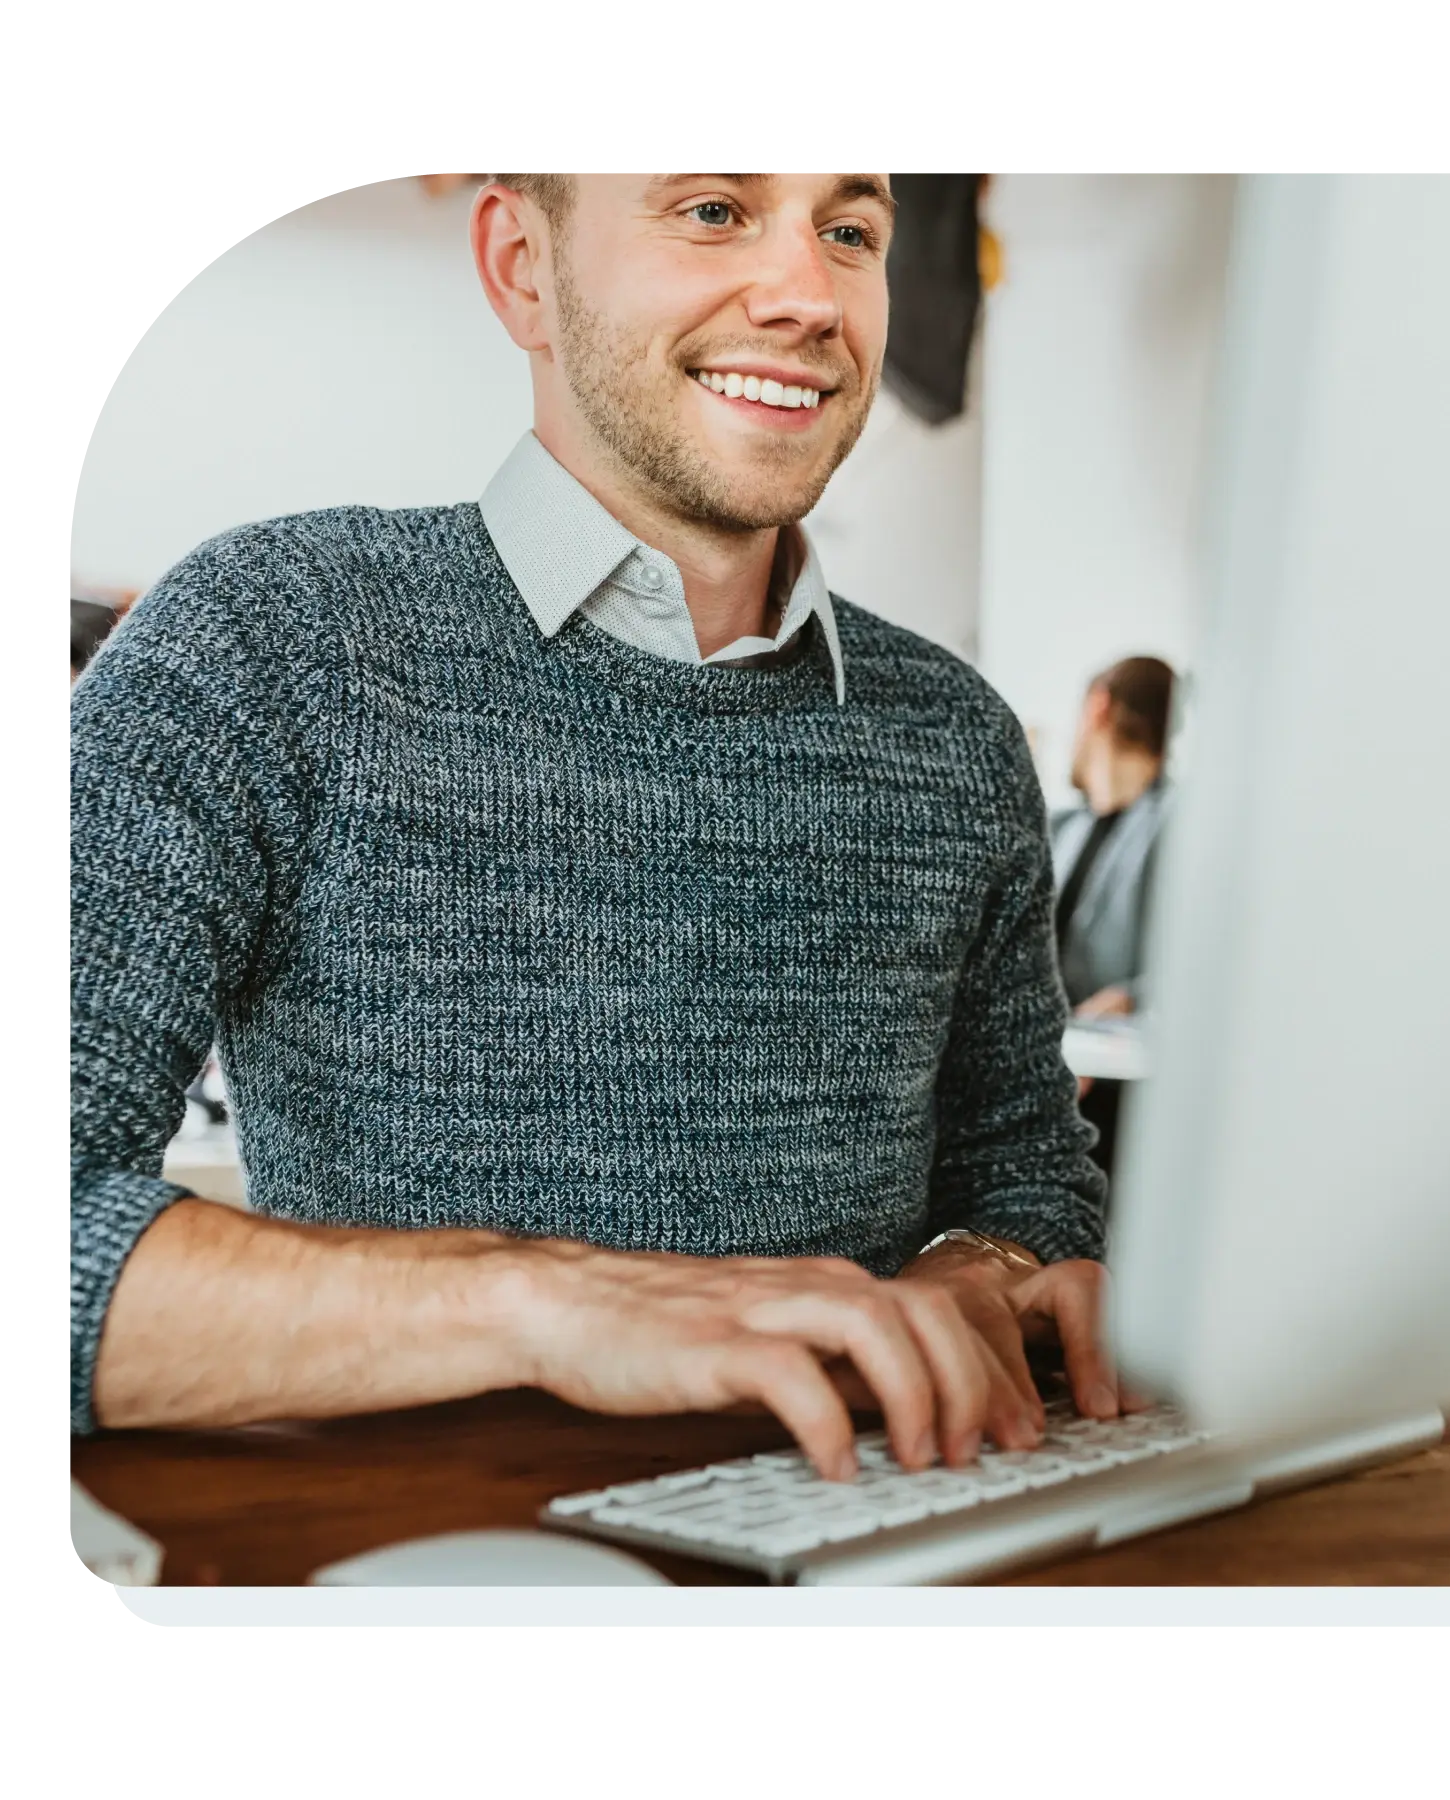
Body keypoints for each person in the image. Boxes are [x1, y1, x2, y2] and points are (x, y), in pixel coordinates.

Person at [67, 170, 1131, 1486]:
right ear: (522, 266)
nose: (809, 296)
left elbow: (1025, 1183)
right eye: (711, 210)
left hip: (886, 1534)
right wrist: (551, 1303)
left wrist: (982, 1274)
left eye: (849, 232)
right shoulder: (263, 645)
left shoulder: (958, 735)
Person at [1049, 657, 1177, 1182]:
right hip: (1045, 1092)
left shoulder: (1180, 822)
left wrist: (1132, 997)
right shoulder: (1061, 828)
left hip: (1126, 1111)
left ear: (1098, 706)